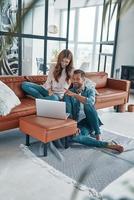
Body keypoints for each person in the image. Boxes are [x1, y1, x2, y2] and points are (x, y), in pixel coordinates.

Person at [64, 69, 124, 153]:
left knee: (87, 106)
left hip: (91, 121)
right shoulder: (68, 94)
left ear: (83, 80)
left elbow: (90, 102)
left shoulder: (89, 90)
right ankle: (107, 144)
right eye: (73, 79)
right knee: (74, 138)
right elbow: (69, 112)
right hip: (80, 124)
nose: (74, 81)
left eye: (77, 79)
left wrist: (75, 95)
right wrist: (74, 126)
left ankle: (97, 134)